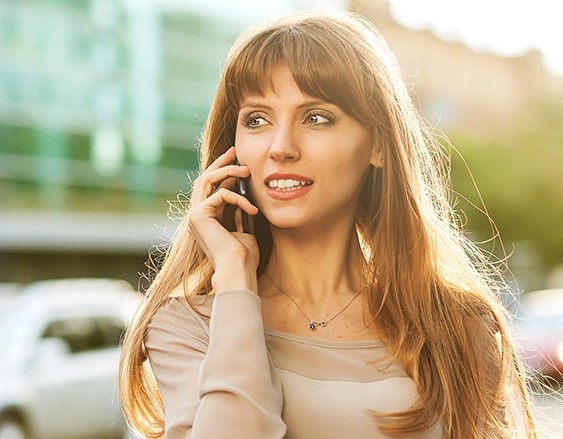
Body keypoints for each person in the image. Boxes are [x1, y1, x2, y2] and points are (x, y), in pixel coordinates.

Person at [119, 10, 536, 439]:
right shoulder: (187, 326)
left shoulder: (456, 324)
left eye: (316, 117)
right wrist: (234, 278)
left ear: (377, 144)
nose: (280, 147)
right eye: (257, 120)